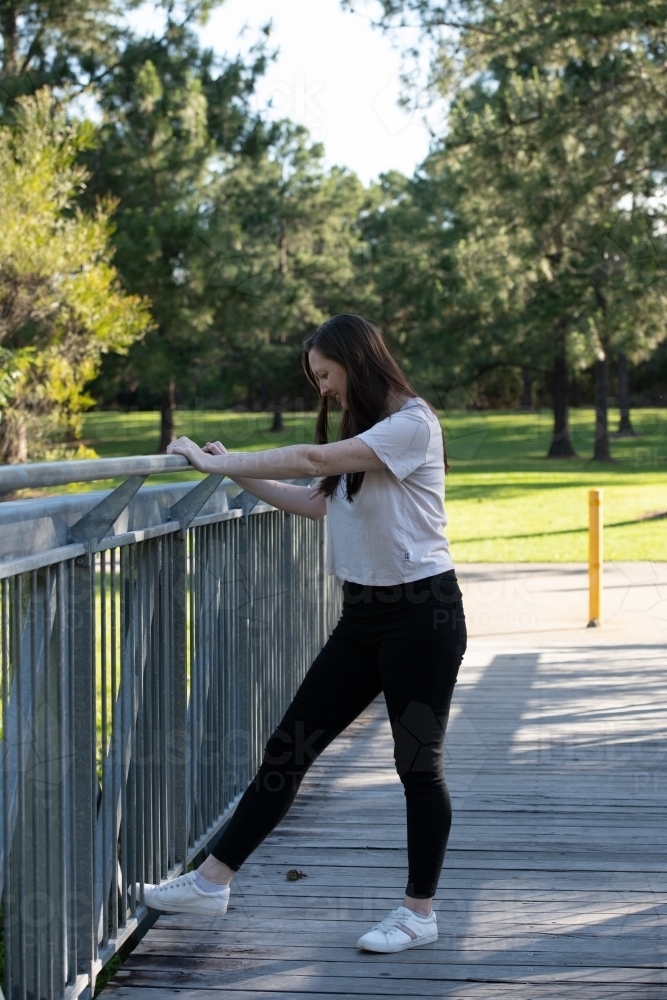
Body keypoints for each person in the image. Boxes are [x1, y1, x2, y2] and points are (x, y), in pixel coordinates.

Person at [140, 314, 467, 954]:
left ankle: (418, 914)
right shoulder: (367, 433)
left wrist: (226, 462)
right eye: (315, 379)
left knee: (417, 768)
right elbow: (315, 498)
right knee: (289, 747)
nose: (322, 389)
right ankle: (212, 883)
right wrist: (224, 470)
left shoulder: (410, 425)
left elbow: (313, 458)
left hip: (423, 617)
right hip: (363, 617)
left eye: (324, 374)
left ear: (354, 358)